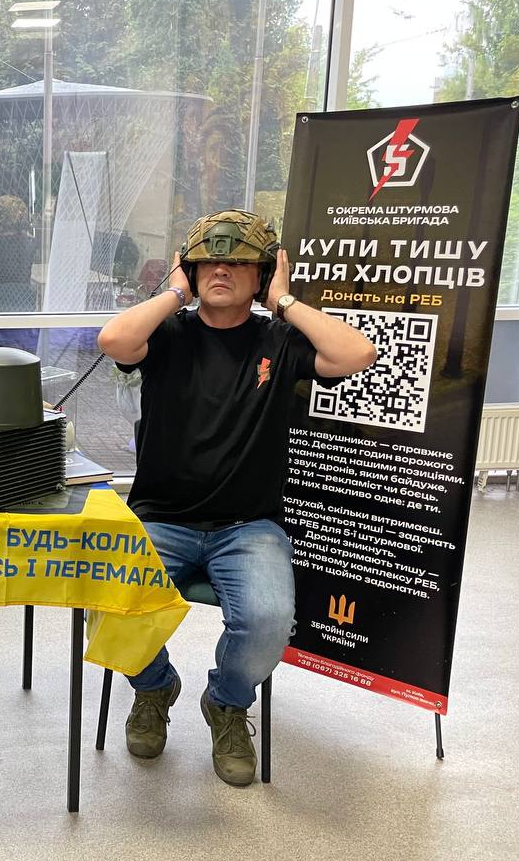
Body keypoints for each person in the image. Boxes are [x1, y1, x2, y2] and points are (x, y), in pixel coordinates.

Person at [96, 208, 377, 787]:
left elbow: (356, 356)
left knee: (269, 619)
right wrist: (175, 291)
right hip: (162, 518)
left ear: (263, 274)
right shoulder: (168, 335)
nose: (220, 271)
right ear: (192, 272)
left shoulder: (279, 339)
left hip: (248, 526)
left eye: (238, 263)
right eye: (207, 263)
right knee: (106, 599)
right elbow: (113, 339)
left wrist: (285, 301)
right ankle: (154, 687)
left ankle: (226, 702)